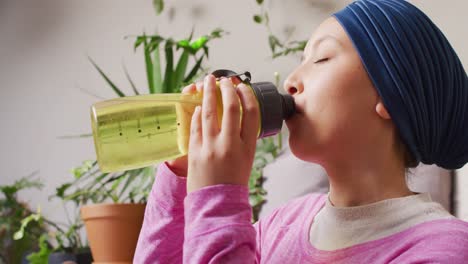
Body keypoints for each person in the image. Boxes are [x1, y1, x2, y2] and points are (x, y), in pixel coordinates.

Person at [134, 0, 468, 263]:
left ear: (391, 95)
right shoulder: (283, 225)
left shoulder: (444, 250)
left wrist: (218, 198)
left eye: (321, 58)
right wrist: (181, 178)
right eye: (300, 60)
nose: (290, 80)